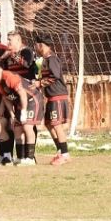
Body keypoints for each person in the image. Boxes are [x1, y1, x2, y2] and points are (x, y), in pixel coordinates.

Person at [0, 58, 44, 165]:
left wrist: (24, 111)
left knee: (27, 126)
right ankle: (21, 157)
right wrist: (12, 114)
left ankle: (30, 158)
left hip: (32, 100)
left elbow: (22, 94)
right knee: (17, 129)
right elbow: (6, 98)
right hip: (20, 104)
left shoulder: (9, 77)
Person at [34, 35, 71, 165]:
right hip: (50, 97)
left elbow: (54, 77)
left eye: (36, 44)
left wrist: (40, 84)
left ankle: (65, 154)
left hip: (58, 97)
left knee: (57, 124)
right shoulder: (44, 60)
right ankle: (60, 151)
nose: (35, 47)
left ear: (41, 45)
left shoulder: (52, 59)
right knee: (49, 124)